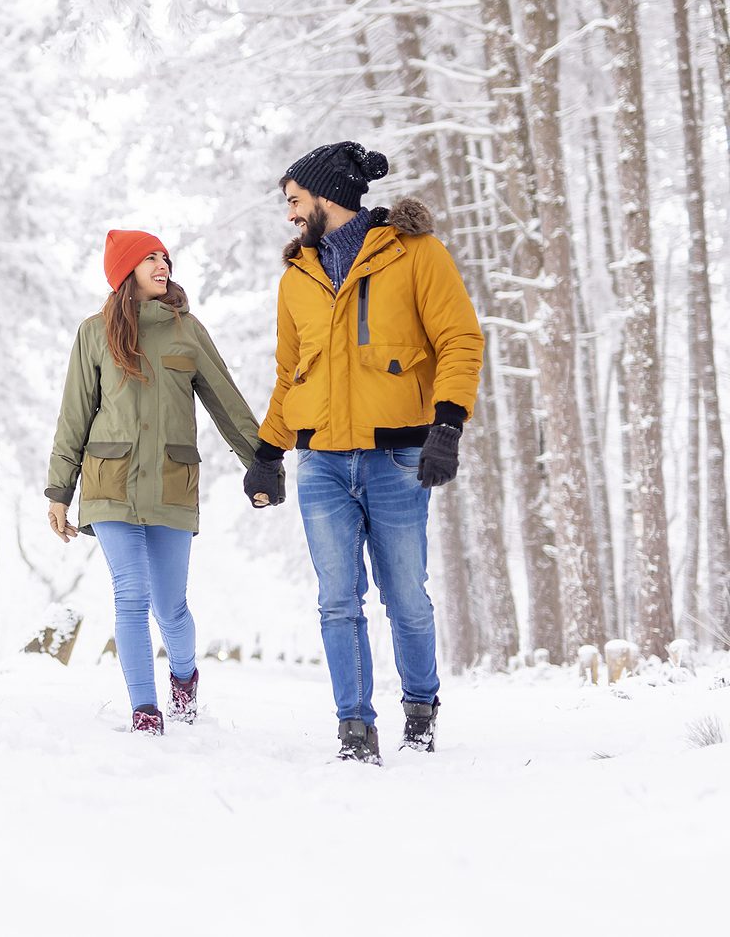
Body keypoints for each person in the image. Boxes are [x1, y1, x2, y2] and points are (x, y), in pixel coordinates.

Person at [243, 141, 483, 764]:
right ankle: (355, 726)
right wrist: (268, 451)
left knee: (405, 593)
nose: (291, 215)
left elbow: (459, 339)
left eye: (296, 201)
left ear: (329, 195)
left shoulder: (416, 255)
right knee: (337, 599)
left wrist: (448, 428)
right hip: (320, 460)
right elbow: (290, 371)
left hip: (399, 457)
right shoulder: (297, 277)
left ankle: (421, 707)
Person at [46, 229, 264, 735]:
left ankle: (183, 678)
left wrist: (262, 463)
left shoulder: (187, 331)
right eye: (148, 258)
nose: (161, 264)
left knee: (172, 608)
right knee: (131, 594)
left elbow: (226, 402)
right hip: (109, 482)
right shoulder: (94, 333)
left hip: (170, 484)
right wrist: (59, 490)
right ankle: (145, 712)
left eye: (164, 257)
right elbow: (73, 416)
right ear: (125, 272)